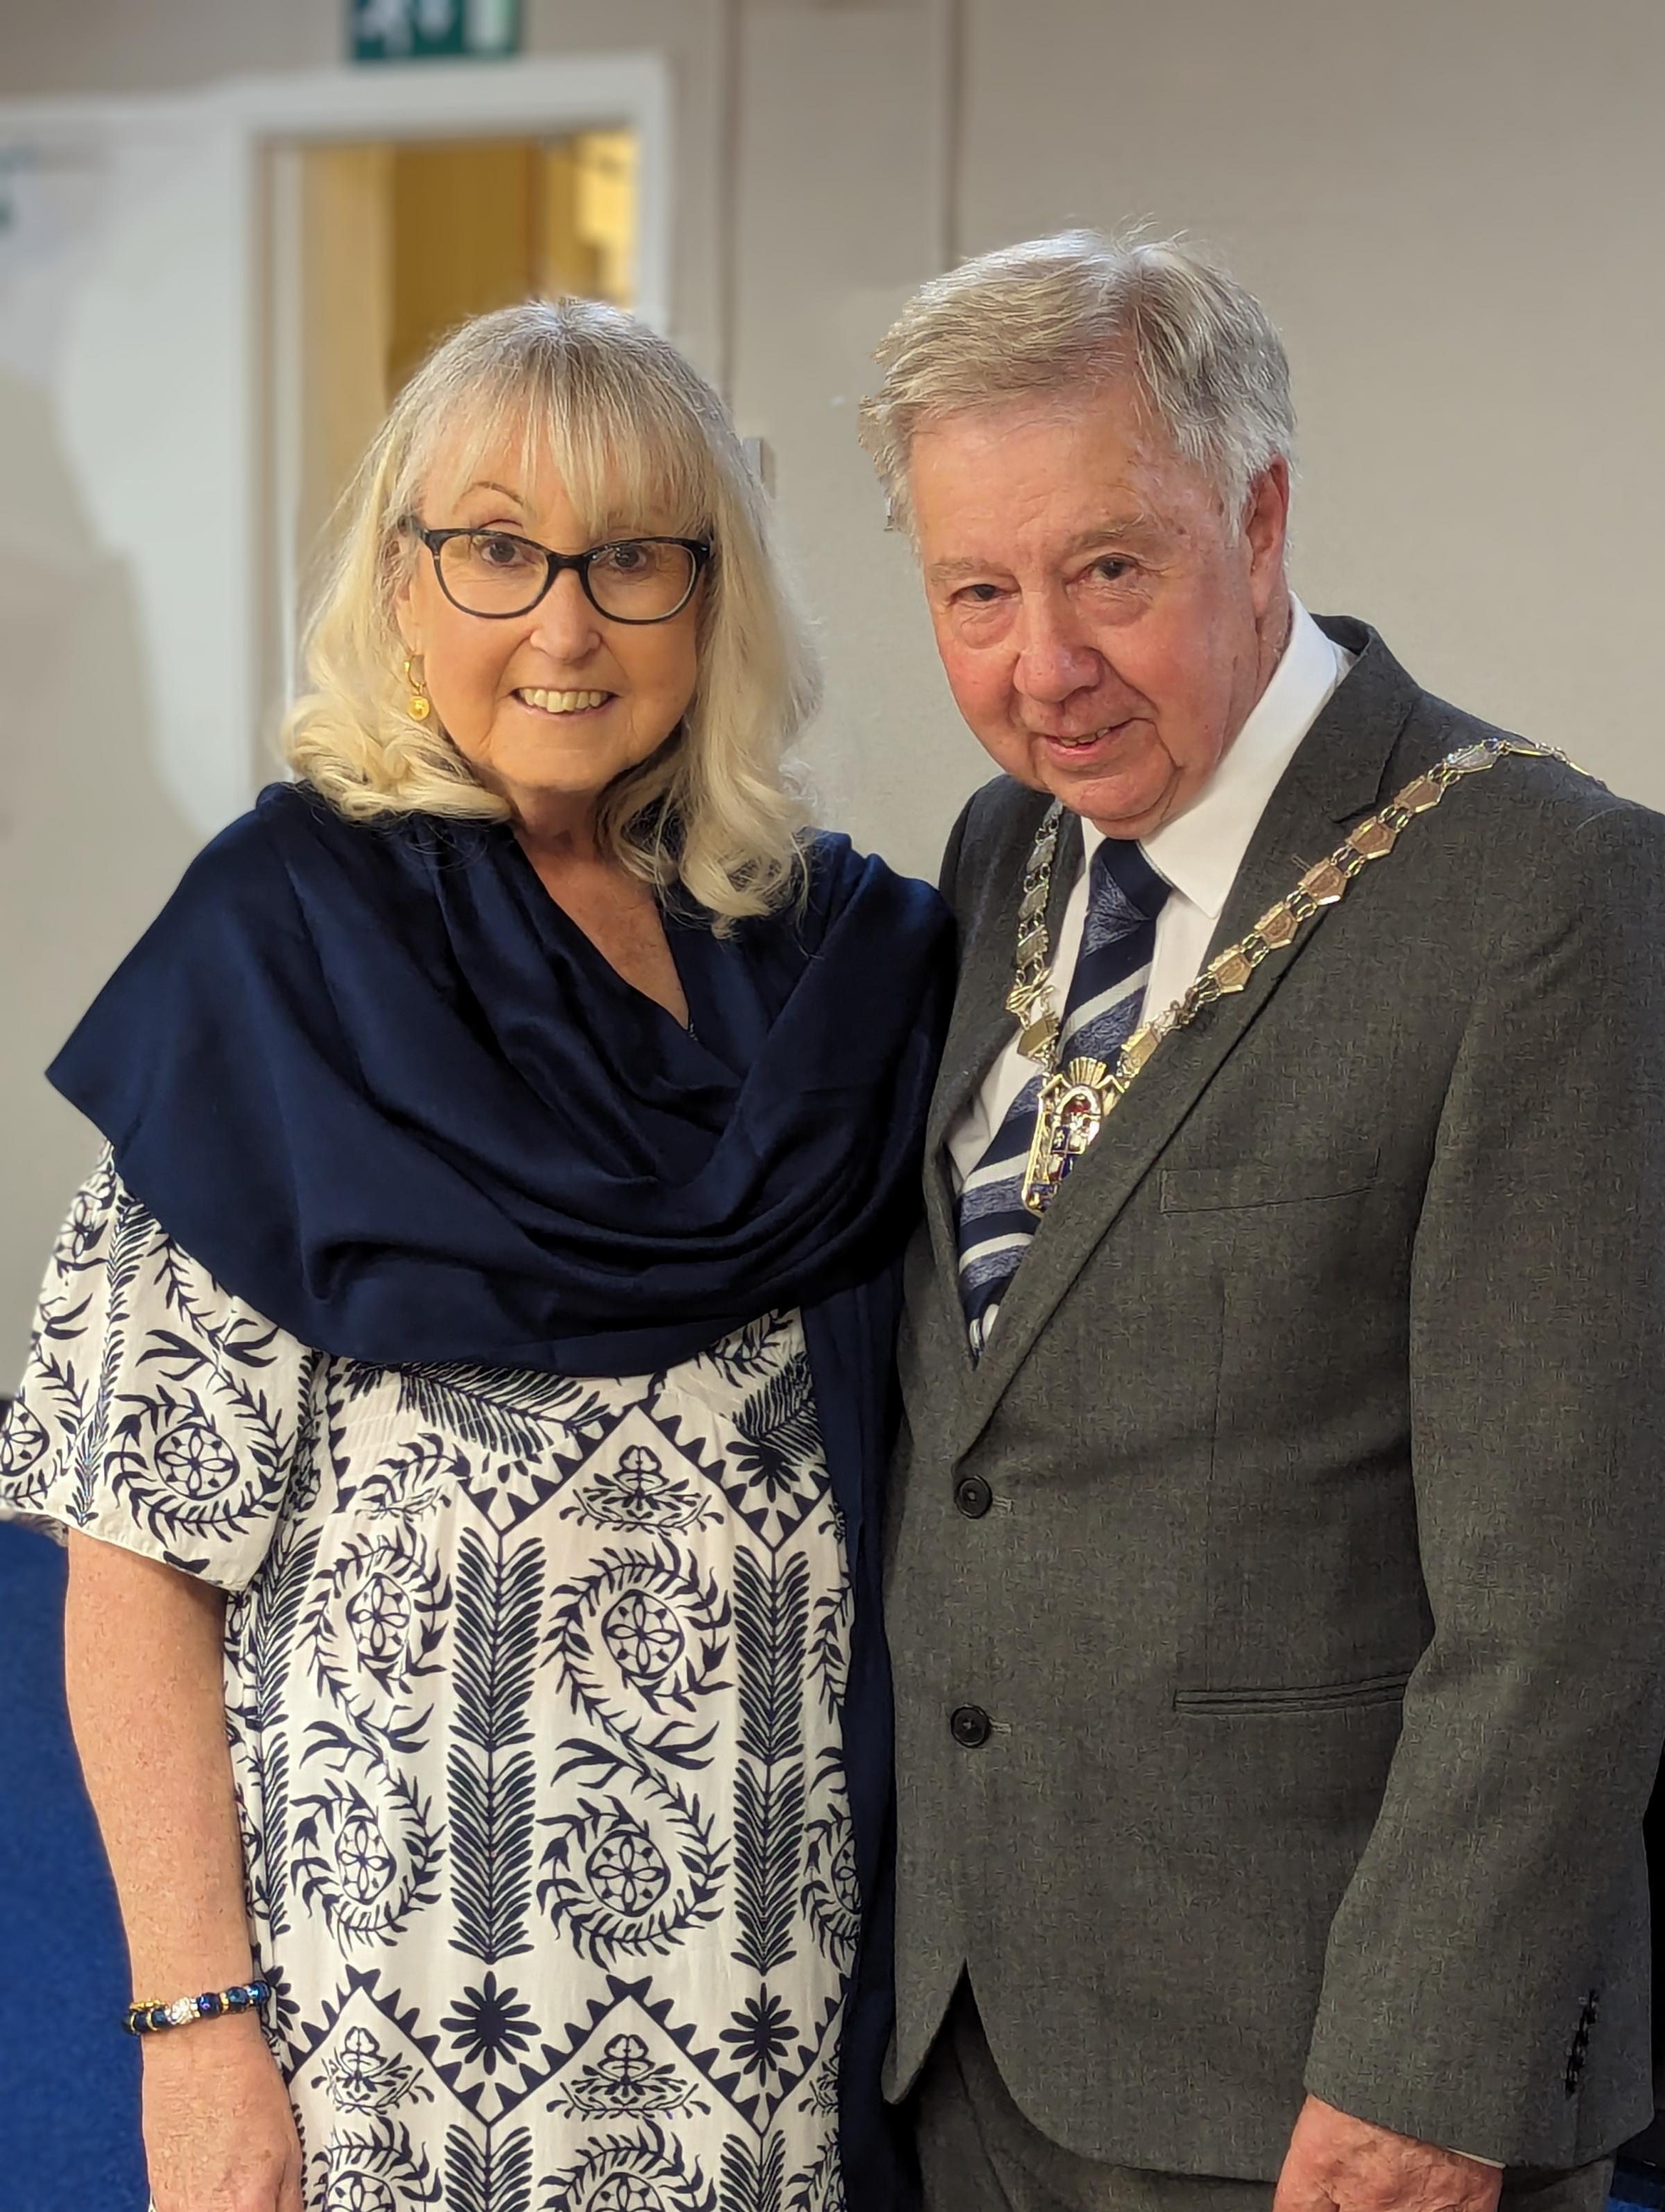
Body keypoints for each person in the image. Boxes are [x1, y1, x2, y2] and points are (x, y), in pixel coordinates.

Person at [0, 297, 950, 2212]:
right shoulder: (284, 951)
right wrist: (197, 2034)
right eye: (501, 549)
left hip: (769, 1982)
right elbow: (131, 1554)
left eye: (632, 559)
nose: (567, 623)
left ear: (716, 595)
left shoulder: (830, 960)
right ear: (406, 580)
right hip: (409, 2019)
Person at [857, 229, 1665, 2212]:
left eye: (1109, 568)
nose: (1042, 667)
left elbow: (1566, 1587)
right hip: (974, 2034)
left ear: (1264, 514)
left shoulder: (1544, 894)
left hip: (1318, 2084)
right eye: (977, 592)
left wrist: (1425, 2070)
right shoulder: (1008, 852)